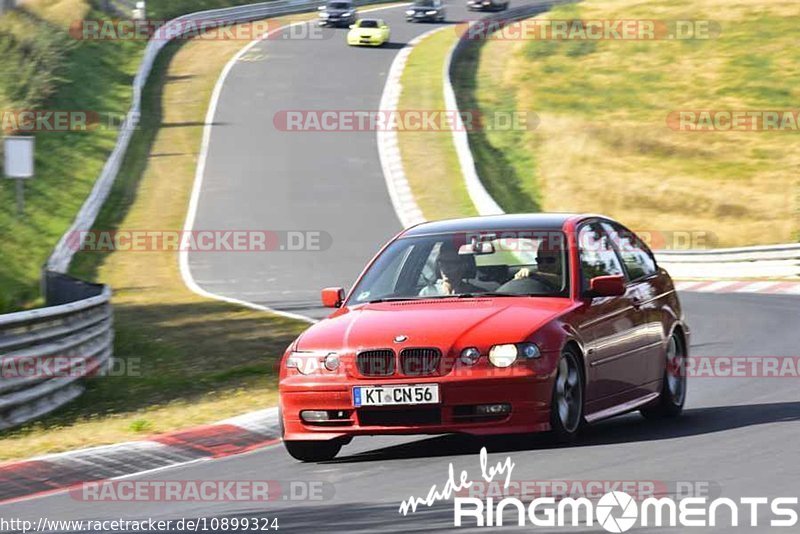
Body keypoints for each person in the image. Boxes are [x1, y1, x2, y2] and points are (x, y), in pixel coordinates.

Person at [419, 242, 483, 296]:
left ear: (463, 265)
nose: (445, 268)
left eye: (451, 263)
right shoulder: (426, 293)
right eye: (441, 262)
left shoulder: (478, 295)